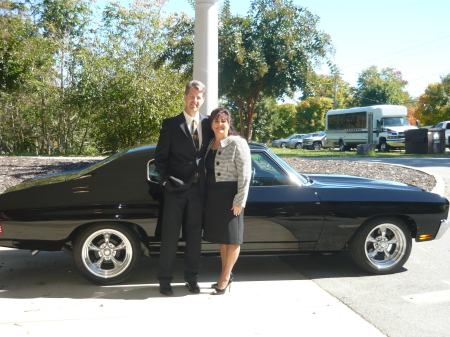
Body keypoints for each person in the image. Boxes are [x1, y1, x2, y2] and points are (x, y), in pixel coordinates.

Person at [155, 80, 213, 296]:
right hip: (175, 190)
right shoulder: (171, 124)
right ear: (185, 96)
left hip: (198, 192)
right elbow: (160, 159)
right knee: (170, 237)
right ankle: (164, 280)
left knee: (194, 237)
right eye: (191, 96)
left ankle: (192, 278)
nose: (194, 100)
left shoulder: (209, 124)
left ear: (203, 100)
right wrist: (165, 181)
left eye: (199, 97)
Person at [203, 107, 252, 295]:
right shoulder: (209, 144)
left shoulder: (238, 143)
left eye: (223, 120)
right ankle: (227, 273)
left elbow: (245, 174)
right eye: (216, 120)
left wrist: (240, 199)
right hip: (214, 195)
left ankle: (224, 278)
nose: (220, 124)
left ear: (229, 123)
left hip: (231, 195)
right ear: (211, 124)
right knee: (223, 239)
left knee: (233, 239)